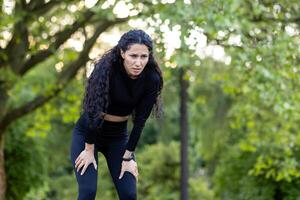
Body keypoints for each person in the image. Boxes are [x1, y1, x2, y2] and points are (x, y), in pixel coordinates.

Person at [70, 29, 163, 200]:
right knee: (88, 192)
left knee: (129, 194)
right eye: (133, 56)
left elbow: (140, 121)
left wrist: (128, 157)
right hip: (88, 134)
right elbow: (93, 111)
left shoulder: (152, 78)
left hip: (118, 137)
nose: (138, 62)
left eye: (144, 56)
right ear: (122, 53)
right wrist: (89, 148)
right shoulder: (107, 69)